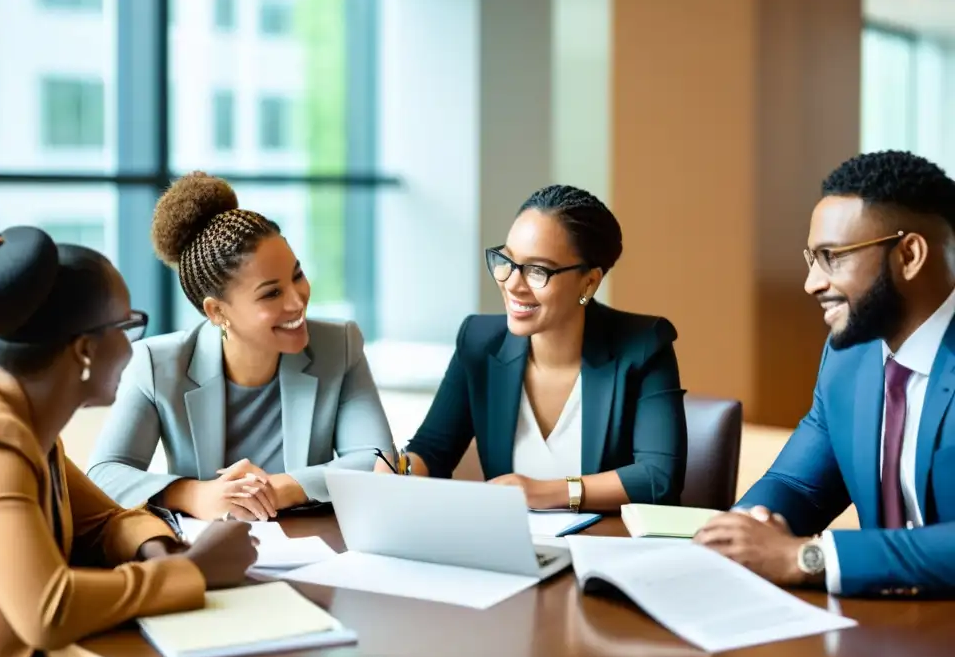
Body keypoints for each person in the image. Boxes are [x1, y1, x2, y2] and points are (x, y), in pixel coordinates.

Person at [0, 226, 257, 657]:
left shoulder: (22, 417)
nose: (132, 348)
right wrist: (196, 572)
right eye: (126, 328)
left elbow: (103, 519)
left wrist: (157, 548)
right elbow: (49, 611)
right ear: (84, 350)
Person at [696, 150, 955, 597]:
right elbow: (796, 484)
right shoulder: (848, 359)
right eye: (810, 259)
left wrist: (805, 557)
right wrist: (739, 532)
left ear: (909, 255)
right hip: (883, 631)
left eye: (831, 257)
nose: (811, 282)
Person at [88, 172, 392, 520]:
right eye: (272, 293)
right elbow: (103, 475)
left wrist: (280, 488)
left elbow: (378, 459)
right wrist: (193, 494)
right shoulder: (158, 364)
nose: (298, 301)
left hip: (316, 548)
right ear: (217, 311)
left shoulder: (339, 346)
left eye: (297, 275)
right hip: (210, 552)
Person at [375, 185, 687, 512]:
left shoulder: (643, 345)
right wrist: (400, 469)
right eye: (507, 260)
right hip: (511, 548)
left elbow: (658, 478)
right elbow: (433, 452)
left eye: (538, 270)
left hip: (608, 550)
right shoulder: (479, 342)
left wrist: (545, 492)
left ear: (589, 282)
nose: (512, 284)